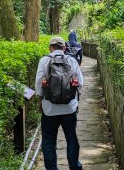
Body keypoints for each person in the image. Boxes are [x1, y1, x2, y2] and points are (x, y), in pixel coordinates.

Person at [35, 37, 83, 170]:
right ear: (64, 48)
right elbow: (80, 83)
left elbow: (39, 83)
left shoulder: (44, 60)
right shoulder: (71, 60)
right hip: (69, 108)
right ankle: (74, 166)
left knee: (49, 140)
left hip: (49, 109)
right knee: (71, 138)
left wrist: (40, 100)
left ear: (50, 48)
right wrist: (74, 99)